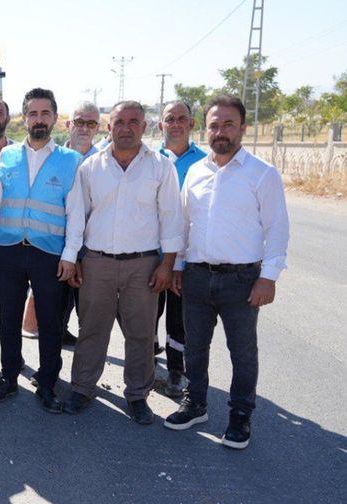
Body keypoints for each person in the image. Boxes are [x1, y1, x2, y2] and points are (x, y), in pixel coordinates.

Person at [164, 95, 289, 450]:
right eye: (214, 125)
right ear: (206, 129)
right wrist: (177, 266)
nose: (221, 132)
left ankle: (240, 414)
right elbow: (184, 224)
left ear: (243, 128)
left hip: (242, 280)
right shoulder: (196, 172)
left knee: (242, 351)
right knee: (195, 347)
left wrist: (269, 277)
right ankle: (197, 403)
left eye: (229, 124)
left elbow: (277, 229)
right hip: (198, 276)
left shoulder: (262, 174)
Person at [64, 100, 183, 425]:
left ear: (144, 127)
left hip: (143, 266)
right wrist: (74, 259)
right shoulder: (90, 167)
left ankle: (137, 396)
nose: (126, 128)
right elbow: (78, 217)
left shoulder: (160, 167)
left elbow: (171, 219)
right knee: (91, 330)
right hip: (97, 262)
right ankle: (83, 388)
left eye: (133, 121)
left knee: (142, 334)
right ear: (109, 126)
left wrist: (167, 265)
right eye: (119, 122)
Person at [0, 88, 82, 413]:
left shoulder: (70, 161)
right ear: (23, 118)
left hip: (48, 254)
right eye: (33, 114)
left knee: (50, 323)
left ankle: (48, 383)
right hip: (9, 250)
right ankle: (9, 377)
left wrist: (70, 255)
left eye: (45, 114)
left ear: (54, 117)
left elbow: (76, 213)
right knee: (8, 318)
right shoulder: (7, 156)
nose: (39, 119)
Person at [22, 101, 103, 345]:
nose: (84, 128)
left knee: (89, 313)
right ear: (68, 124)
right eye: (79, 122)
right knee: (55, 311)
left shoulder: (103, 162)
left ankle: (84, 373)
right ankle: (51, 364)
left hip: (92, 249)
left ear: (98, 128)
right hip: (57, 247)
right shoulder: (54, 157)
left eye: (91, 123)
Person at [156, 101, 207, 397]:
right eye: (169, 119)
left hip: (186, 259)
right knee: (145, 314)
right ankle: (147, 359)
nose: (175, 124)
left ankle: (176, 371)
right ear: (160, 125)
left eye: (182, 119)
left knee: (179, 319)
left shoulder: (205, 162)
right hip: (150, 254)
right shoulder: (148, 159)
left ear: (192, 124)